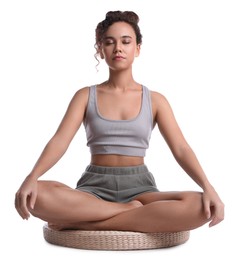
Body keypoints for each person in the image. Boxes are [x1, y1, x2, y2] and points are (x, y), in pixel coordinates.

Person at [15, 10, 224, 233]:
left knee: (200, 206)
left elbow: (181, 149)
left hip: (141, 189)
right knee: (35, 193)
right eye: (109, 42)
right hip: (93, 188)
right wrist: (32, 176)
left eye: (126, 41)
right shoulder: (85, 96)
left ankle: (79, 223)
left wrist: (207, 186)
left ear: (138, 49)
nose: (118, 48)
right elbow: (59, 141)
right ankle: (128, 213)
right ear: (100, 50)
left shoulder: (156, 100)